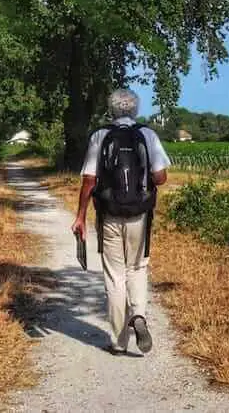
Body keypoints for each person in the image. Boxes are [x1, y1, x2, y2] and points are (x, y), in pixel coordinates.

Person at [71, 88, 171, 355]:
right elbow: (160, 177)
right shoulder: (147, 135)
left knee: (115, 275)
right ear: (135, 109)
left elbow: (89, 181)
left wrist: (80, 216)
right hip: (140, 214)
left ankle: (117, 341)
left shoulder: (100, 136)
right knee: (137, 268)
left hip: (109, 215)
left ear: (111, 109)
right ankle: (138, 315)